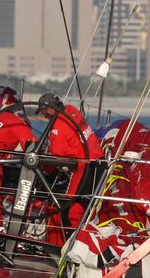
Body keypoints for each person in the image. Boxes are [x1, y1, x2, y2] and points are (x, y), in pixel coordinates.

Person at [35, 93, 103, 238]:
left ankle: (71, 242)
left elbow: (57, 157)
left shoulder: (58, 127)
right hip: (99, 164)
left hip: (83, 167)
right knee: (85, 204)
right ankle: (85, 237)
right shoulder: (72, 111)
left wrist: (41, 168)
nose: (44, 116)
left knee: (69, 206)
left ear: (49, 109)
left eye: (43, 112)